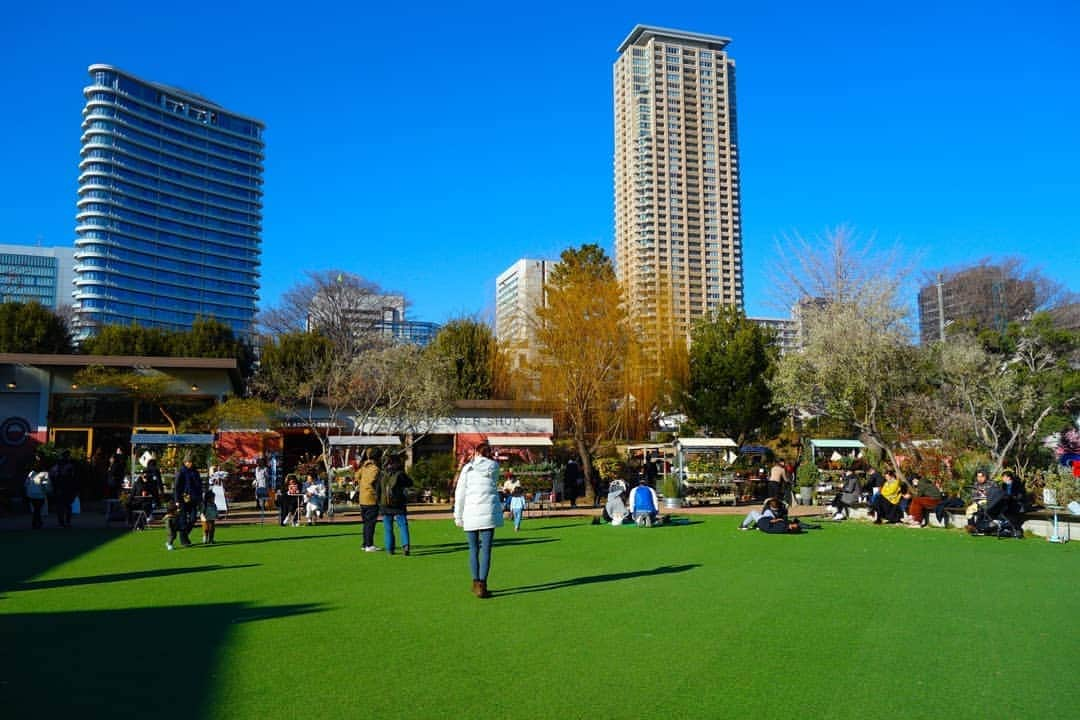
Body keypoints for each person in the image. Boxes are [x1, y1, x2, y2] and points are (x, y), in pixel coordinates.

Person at [454, 441, 503, 598]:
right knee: (486, 550)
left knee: (473, 549)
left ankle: (476, 582)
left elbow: (460, 494)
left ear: (477, 452)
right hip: (488, 513)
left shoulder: (467, 469)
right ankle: (483, 583)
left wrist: (458, 515)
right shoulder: (494, 467)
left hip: (470, 513)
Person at [379, 453, 412, 556]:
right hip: (399, 504)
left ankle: (389, 549)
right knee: (403, 525)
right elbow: (410, 483)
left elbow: (378, 489)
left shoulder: (382, 474)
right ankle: (405, 546)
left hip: (385, 505)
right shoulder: (400, 474)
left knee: (388, 528)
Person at [986, 470, 1026, 537]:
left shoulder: (1017, 485)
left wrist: (1012, 497)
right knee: (994, 508)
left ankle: (1015, 529)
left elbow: (1020, 496)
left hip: (1016, 503)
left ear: (1008, 477)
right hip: (1006, 503)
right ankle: (998, 525)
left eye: (1004, 477)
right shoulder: (1003, 485)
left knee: (1009, 512)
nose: (1002, 479)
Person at [356, 448, 382, 552]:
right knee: (371, 523)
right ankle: (369, 545)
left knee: (366, 522)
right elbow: (372, 481)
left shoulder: (364, 466)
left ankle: (365, 543)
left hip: (362, 498)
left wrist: (361, 484)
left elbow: (356, 476)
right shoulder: (375, 469)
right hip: (371, 498)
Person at [173, 455, 202, 546]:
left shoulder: (195, 472)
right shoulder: (181, 472)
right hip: (183, 499)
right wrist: (177, 500)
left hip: (193, 499)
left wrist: (200, 498)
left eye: (192, 462)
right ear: (185, 462)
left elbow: (199, 486)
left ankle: (184, 535)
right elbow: (177, 487)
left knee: (193, 519)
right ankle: (184, 540)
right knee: (183, 520)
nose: (191, 463)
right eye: (189, 462)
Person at [49, 450, 79, 528]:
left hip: (62, 488)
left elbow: (52, 475)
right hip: (66, 488)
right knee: (66, 506)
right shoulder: (70, 466)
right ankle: (66, 522)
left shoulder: (58, 465)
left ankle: (62, 522)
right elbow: (74, 478)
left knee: (61, 506)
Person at [24, 455, 51, 529]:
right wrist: (48, 491)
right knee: (38, 509)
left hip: (31, 494)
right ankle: (37, 523)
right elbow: (46, 485)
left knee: (36, 509)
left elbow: (26, 484)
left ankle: (37, 522)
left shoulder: (31, 473)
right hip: (40, 494)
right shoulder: (45, 474)